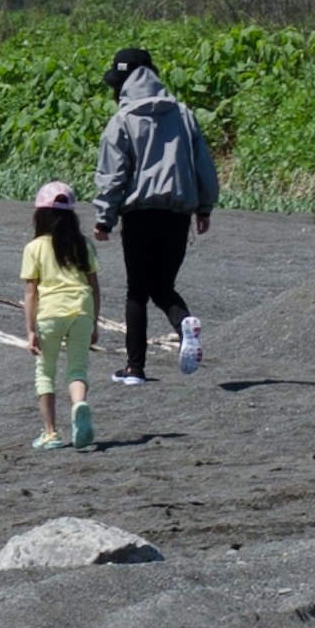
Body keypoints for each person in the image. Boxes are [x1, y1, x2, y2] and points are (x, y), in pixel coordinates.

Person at [90, 45, 216, 380]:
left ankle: (135, 368)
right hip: (178, 216)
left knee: (137, 291)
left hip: (139, 215)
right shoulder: (184, 114)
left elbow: (113, 175)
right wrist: (204, 208)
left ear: (125, 83)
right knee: (161, 284)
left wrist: (105, 218)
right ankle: (183, 322)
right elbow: (204, 166)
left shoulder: (123, 121)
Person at [19, 182, 101, 451]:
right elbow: (94, 286)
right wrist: (94, 321)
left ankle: (51, 433)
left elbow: (31, 293)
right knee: (77, 368)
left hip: (50, 313)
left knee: (45, 372)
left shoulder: (34, 248)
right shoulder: (83, 244)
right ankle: (79, 405)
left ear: (40, 215)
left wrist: (30, 329)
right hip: (81, 310)